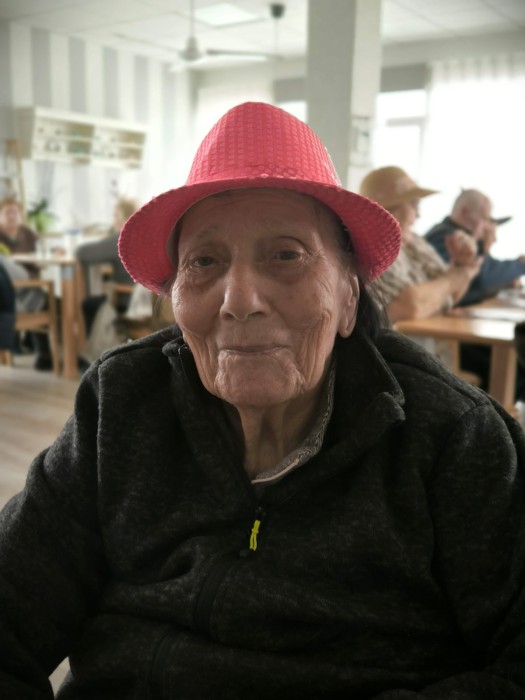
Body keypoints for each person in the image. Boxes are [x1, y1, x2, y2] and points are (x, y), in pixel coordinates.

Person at [0, 102, 524, 699]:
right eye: (204, 261)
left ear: (349, 297)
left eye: (286, 255)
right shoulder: (121, 402)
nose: (239, 300)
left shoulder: (453, 437)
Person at [359, 166, 481, 367]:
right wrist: (456, 276)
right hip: (396, 368)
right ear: (388, 209)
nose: (419, 214)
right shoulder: (374, 248)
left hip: (433, 360)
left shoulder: (414, 242)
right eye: (414, 204)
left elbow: (450, 295)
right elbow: (410, 305)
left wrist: (461, 264)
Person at [425, 188, 524, 306]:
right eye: (484, 218)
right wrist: (520, 266)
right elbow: (481, 279)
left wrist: (508, 282)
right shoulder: (446, 236)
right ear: (464, 212)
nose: (485, 226)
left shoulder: (456, 235)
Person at [76, 196, 139, 335]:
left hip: (126, 301)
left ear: (121, 218)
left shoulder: (121, 238)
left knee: (89, 304)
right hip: (150, 303)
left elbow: (83, 253)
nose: (114, 221)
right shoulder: (145, 236)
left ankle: (99, 346)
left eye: (115, 216)